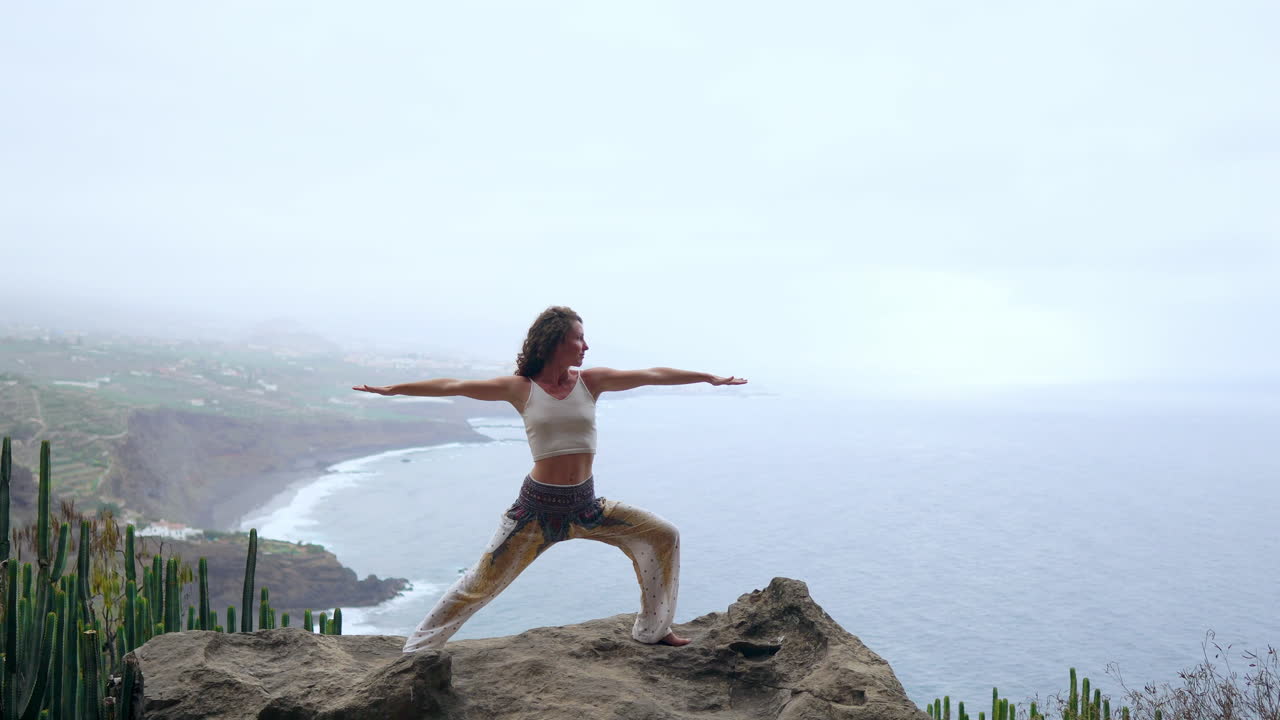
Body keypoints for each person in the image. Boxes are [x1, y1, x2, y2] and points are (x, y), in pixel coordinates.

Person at [352, 306, 747, 652]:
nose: (586, 346)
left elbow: (650, 374)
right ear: (556, 341)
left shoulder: (590, 382)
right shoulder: (520, 388)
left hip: (587, 506)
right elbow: (452, 386)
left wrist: (706, 377)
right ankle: (417, 650)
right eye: (579, 338)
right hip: (535, 512)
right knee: (477, 585)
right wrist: (394, 390)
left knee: (662, 536)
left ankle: (653, 631)